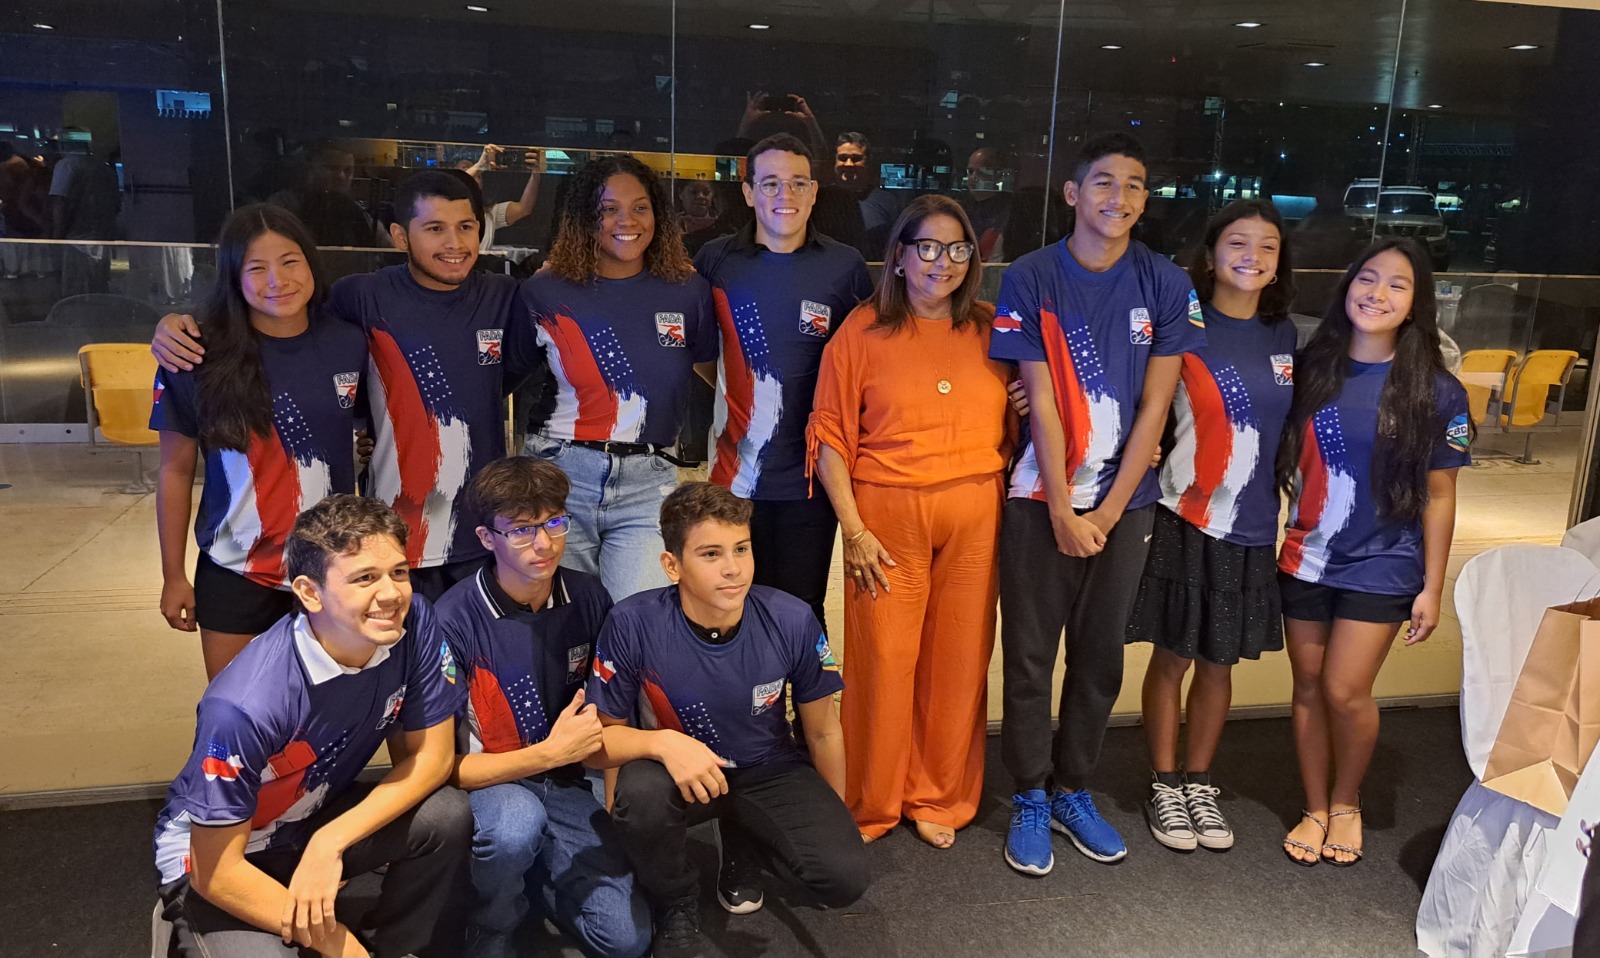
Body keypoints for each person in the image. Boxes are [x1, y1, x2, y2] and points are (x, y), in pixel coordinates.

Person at [989, 131, 1205, 875]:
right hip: (1036, 498)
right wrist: (1060, 508)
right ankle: (1029, 793)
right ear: (1073, 193)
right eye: (1105, 182)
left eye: (1135, 185)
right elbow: (1041, 401)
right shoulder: (1031, 276)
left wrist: (1107, 514)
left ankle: (1073, 788)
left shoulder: (1165, 283)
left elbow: (1156, 408)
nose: (1120, 197)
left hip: (1128, 505)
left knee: (1100, 657)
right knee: (1029, 655)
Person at [153, 171, 524, 601]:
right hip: (389, 538)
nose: (454, 243)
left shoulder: (505, 297)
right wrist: (173, 324)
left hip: (483, 533)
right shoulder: (359, 297)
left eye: (466, 227)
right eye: (435, 228)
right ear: (400, 236)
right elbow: (280, 320)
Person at [151, 495, 471, 958]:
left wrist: (329, 842)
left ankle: (399, 945)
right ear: (309, 592)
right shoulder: (243, 705)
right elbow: (216, 871)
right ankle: (186, 923)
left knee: (445, 815)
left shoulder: (414, 623)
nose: (391, 594)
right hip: (222, 860)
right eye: (364, 578)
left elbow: (433, 758)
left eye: (399, 572)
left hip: (311, 824)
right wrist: (345, 948)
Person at [585, 482, 868, 958]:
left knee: (843, 878)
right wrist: (631, 818)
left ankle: (743, 837)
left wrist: (833, 816)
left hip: (769, 767)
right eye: (711, 554)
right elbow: (599, 743)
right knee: (641, 802)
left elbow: (822, 731)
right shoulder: (633, 622)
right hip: (675, 772)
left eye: (741, 548)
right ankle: (677, 900)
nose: (733, 568)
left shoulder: (792, 618)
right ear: (672, 565)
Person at [809, 195, 1012, 848]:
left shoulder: (991, 331)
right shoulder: (862, 331)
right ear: (899, 256)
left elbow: (1029, 414)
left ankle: (938, 794)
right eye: (927, 247)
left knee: (959, 660)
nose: (941, 261)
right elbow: (830, 435)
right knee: (885, 661)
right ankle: (872, 799)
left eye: (957, 249)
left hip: (975, 519)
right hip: (885, 524)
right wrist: (853, 529)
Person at [1276, 238, 1469, 866]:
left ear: (1416, 303)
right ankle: (1314, 806)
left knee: (1344, 689)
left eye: (1397, 284)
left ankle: (1347, 801)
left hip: (1385, 563)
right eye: (1368, 278)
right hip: (1306, 555)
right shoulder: (1310, 370)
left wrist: (1432, 587)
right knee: (1308, 685)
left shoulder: (1436, 391)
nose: (1377, 293)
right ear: (1347, 286)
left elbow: (1441, 493)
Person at [1123, 199, 1299, 853]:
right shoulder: (1182, 323)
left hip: (1251, 523)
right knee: (1172, 656)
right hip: (1184, 514)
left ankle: (1200, 782)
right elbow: (1139, 398)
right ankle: (1164, 784)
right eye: (1239, 242)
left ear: (1280, 263)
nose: (1253, 256)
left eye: (1268, 246)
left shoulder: (1285, 336)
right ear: (1211, 253)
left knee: (1220, 662)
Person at [436, 457, 651, 958]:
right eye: (522, 530)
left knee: (625, 941)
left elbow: (610, 713)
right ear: (486, 538)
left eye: (555, 522)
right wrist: (549, 754)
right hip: (491, 782)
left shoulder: (588, 596)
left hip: (566, 783)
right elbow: (444, 767)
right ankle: (492, 922)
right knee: (515, 825)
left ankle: (530, 878)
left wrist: (610, 803)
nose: (545, 543)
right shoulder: (452, 618)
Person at [151, 204, 369, 678]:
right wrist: (173, 575)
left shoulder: (350, 342)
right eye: (256, 268)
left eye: (290, 261)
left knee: (327, 708)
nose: (278, 280)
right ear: (233, 277)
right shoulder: (194, 354)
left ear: (311, 263)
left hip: (329, 564)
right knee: (237, 709)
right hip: (235, 568)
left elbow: (366, 423)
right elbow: (174, 470)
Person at [512, 154, 716, 601]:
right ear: (585, 218)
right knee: (564, 618)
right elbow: (500, 380)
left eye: (640, 207)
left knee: (638, 619)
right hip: (559, 475)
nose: (627, 220)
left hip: (649, 480)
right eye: (609, 209)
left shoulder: (688, 291)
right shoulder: (544, 292)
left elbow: (715, 376)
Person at [695, 133, 873, 632]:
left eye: (797, 183)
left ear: (814, 192)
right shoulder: (715, 261)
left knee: (801, 611)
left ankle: (805, 688)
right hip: (734, 475)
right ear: (748, 192)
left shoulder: (843, 266)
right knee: (731, 607)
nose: (784, 195)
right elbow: (703, 356)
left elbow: (866, 361)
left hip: (812, 476)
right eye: (770, 183)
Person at [458, 144, 543, 252]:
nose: (476, 174)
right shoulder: (445, 210)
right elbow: (453, 186)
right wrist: (479, 166)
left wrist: (536, 173)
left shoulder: (489, 213)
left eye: (479, 174)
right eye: (466, 169)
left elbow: (524, 208)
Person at [834, 132, 901, 256]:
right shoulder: (821, 199)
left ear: (868, 163)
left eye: (856, 159)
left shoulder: (887, 201)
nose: (848, 164)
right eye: (843, 158)